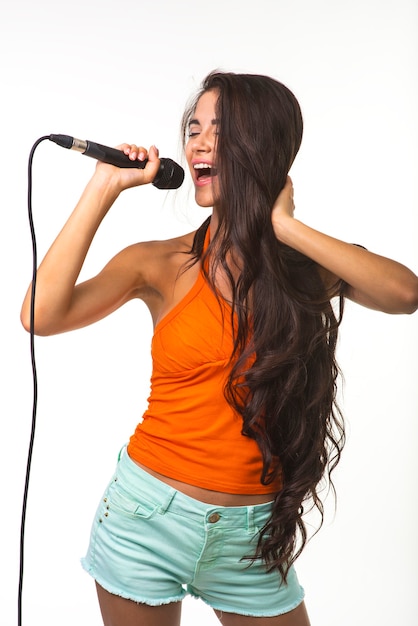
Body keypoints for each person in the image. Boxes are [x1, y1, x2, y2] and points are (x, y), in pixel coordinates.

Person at [21, 71, 418, 626]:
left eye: (221, 130)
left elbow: (404, 293)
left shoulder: (305, 271)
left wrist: (286, 226)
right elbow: (40, 315)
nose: (199, 143)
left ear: (264, 149)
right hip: (145, 518)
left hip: (252, 536)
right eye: (194, 128)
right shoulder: (159, 263)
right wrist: (102, 188)